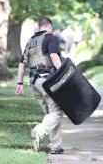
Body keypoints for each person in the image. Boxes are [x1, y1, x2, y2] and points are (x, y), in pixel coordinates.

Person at [15, 17, 64, 154]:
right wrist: (63, 75)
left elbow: (21, 64)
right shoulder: (50, 38)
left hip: (34, 83)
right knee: (57, 112)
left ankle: (55, 146)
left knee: (51, 114)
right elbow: (54, 57)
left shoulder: (30, 41)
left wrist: (19, 83)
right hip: (47, 81)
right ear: (49, 26)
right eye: (51, 27)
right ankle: (39, 132)